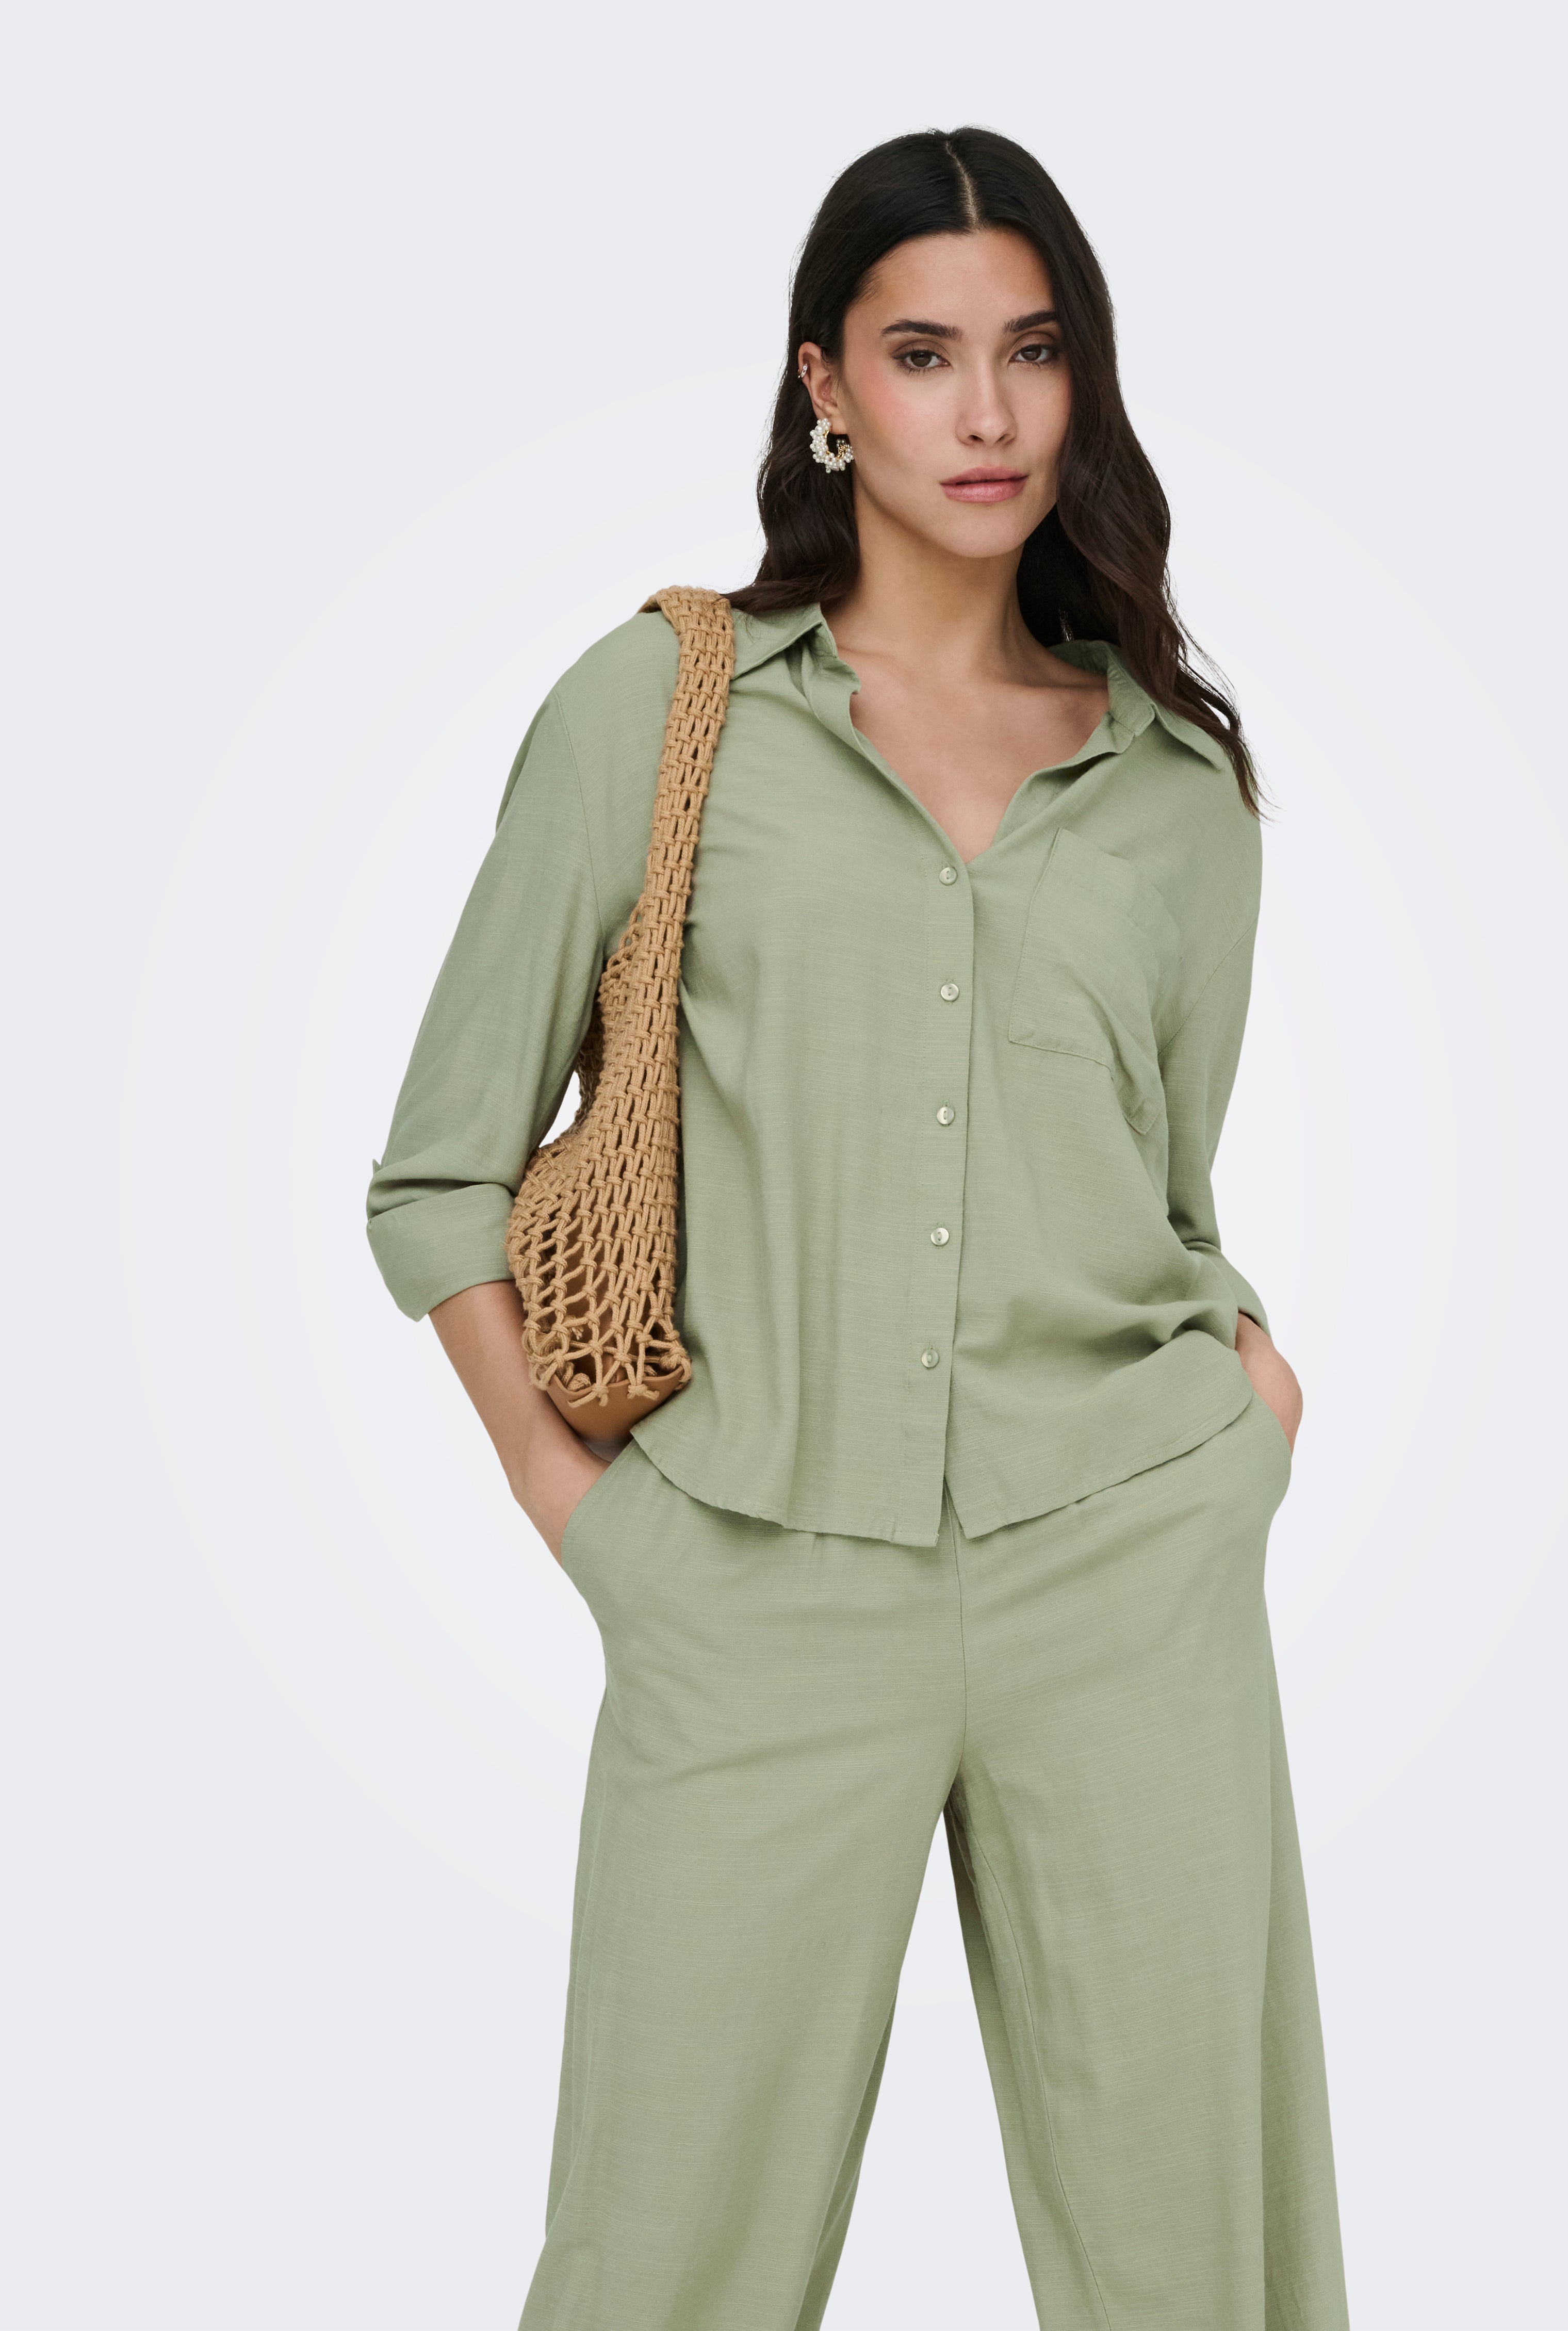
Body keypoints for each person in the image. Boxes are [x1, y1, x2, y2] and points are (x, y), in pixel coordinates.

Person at [366, 124, 1348, 2331]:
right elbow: (437, 1170)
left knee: (1203, 2265)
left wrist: (1242, 1426)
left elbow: (1162, 1190)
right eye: (922, 354)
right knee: (661, 2265)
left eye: (1033, 351)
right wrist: (588, 1517)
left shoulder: (1174, 785)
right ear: (825, 383)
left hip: (1127, 1564)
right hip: (751, 1578)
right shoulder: (662, 709)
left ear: (1083, 382)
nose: (985, 412)